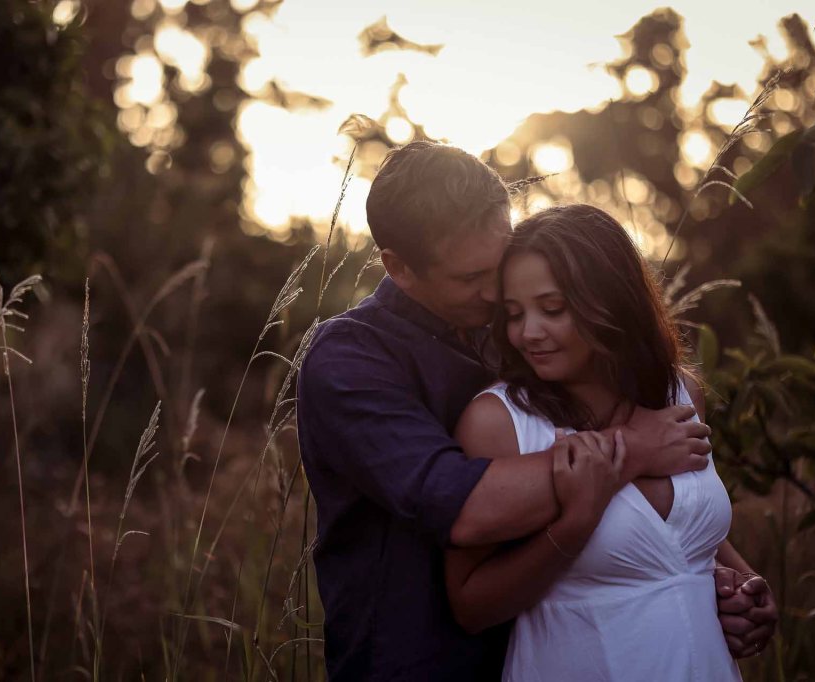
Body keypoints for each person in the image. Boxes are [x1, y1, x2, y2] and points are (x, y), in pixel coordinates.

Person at [295, 141, 775, 681]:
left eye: (500, 266)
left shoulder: (511, 337)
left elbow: (648, 522)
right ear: (398, 268)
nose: (496, 295)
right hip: (419, 663)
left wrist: (723, 581)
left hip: (548, 646)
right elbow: (462, 505)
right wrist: (632, 448)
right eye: (472, 278)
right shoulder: (351, 359)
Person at [444, 203, 774, 680]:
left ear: (611, 299)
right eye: (513, 314)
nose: (527, 333)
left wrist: (745, 588)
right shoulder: (499, 422)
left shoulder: (680, 392)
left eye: (552, 309)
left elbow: (682, 540)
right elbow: (471, 607)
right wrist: (575, 522)